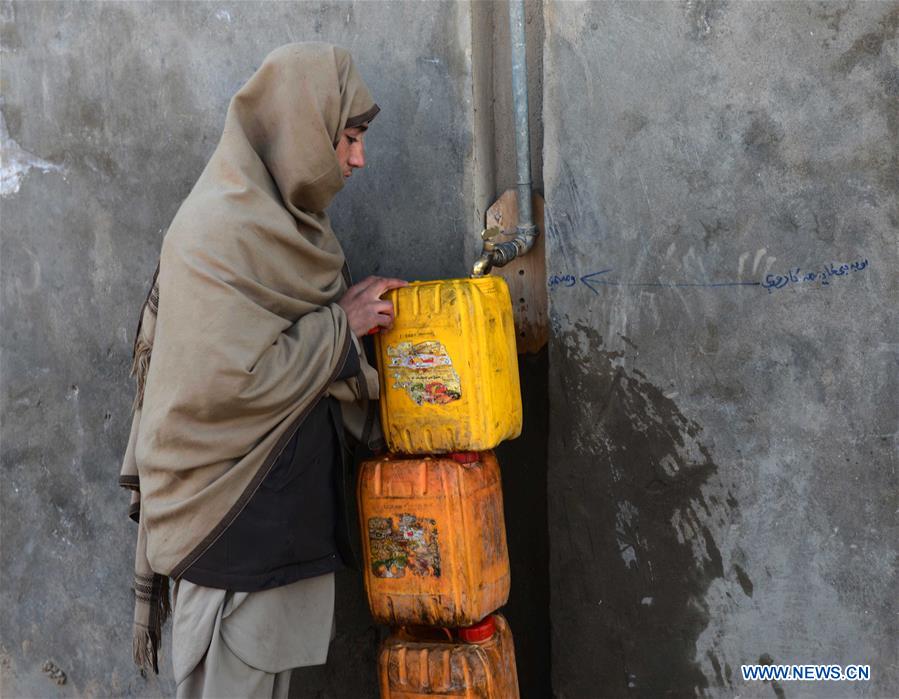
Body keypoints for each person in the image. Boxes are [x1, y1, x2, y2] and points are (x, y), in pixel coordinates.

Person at [118, 43, 406, 697]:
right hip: (229, 541)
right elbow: (223, 385)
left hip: (275, 541)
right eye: (349, 137)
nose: (358, 159)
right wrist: (342, 326)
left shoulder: (292, 231)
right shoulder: (219, 234)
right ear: (302, 127)